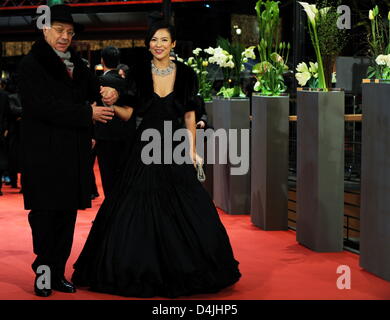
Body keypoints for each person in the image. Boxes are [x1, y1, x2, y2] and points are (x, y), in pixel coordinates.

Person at [72, 20, 241, 298]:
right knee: (134, 202)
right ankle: (137, 266)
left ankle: (185, 267)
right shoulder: (137, 73)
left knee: (186, 202)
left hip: (174, 145)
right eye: (153, 40)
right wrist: (112, 104)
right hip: (144, 146)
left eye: (164, 40)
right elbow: (129, 113)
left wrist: (192, 149)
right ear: (148, 44)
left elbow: (189, 115)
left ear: (173, 44)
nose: (158, 45)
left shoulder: (186, 74)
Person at [18, 4, 117, 297]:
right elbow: (42, 107)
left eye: (69, 32)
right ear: (44, 29)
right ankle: (44, 273)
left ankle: (58, 272)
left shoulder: (77, 63)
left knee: (66, 216)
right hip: (43, 156)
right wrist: (87, 114)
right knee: (45, 217)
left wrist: (111, 91)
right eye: (59, 30)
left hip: (73, 155)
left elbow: (93, 89)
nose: (65, 36)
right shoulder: (31, 64)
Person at [95, 46, 136, 197]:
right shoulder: (128, 82)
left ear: (102, 61)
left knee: (109, 179)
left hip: (105, 136)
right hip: (127, 136)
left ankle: (110, 216)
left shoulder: (98, 81)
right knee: (124, 179)